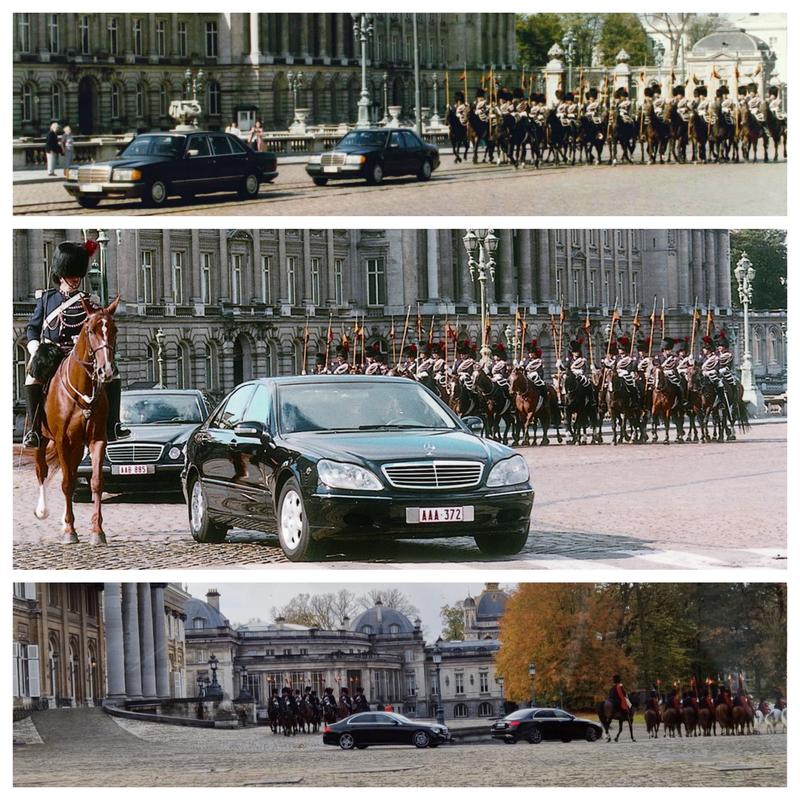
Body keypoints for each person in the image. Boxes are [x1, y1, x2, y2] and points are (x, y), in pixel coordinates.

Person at [24, 240, 130, 449]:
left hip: (81, 356)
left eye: (78, 275)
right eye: (72, 274)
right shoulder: (47, 300)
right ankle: (34, 431)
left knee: (113, 374)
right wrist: (35, 347)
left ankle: (113, 424)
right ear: (61, 275)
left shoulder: (89, 301)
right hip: (53, 353)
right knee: (31, 378)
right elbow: (32, 328)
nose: (76, 279)